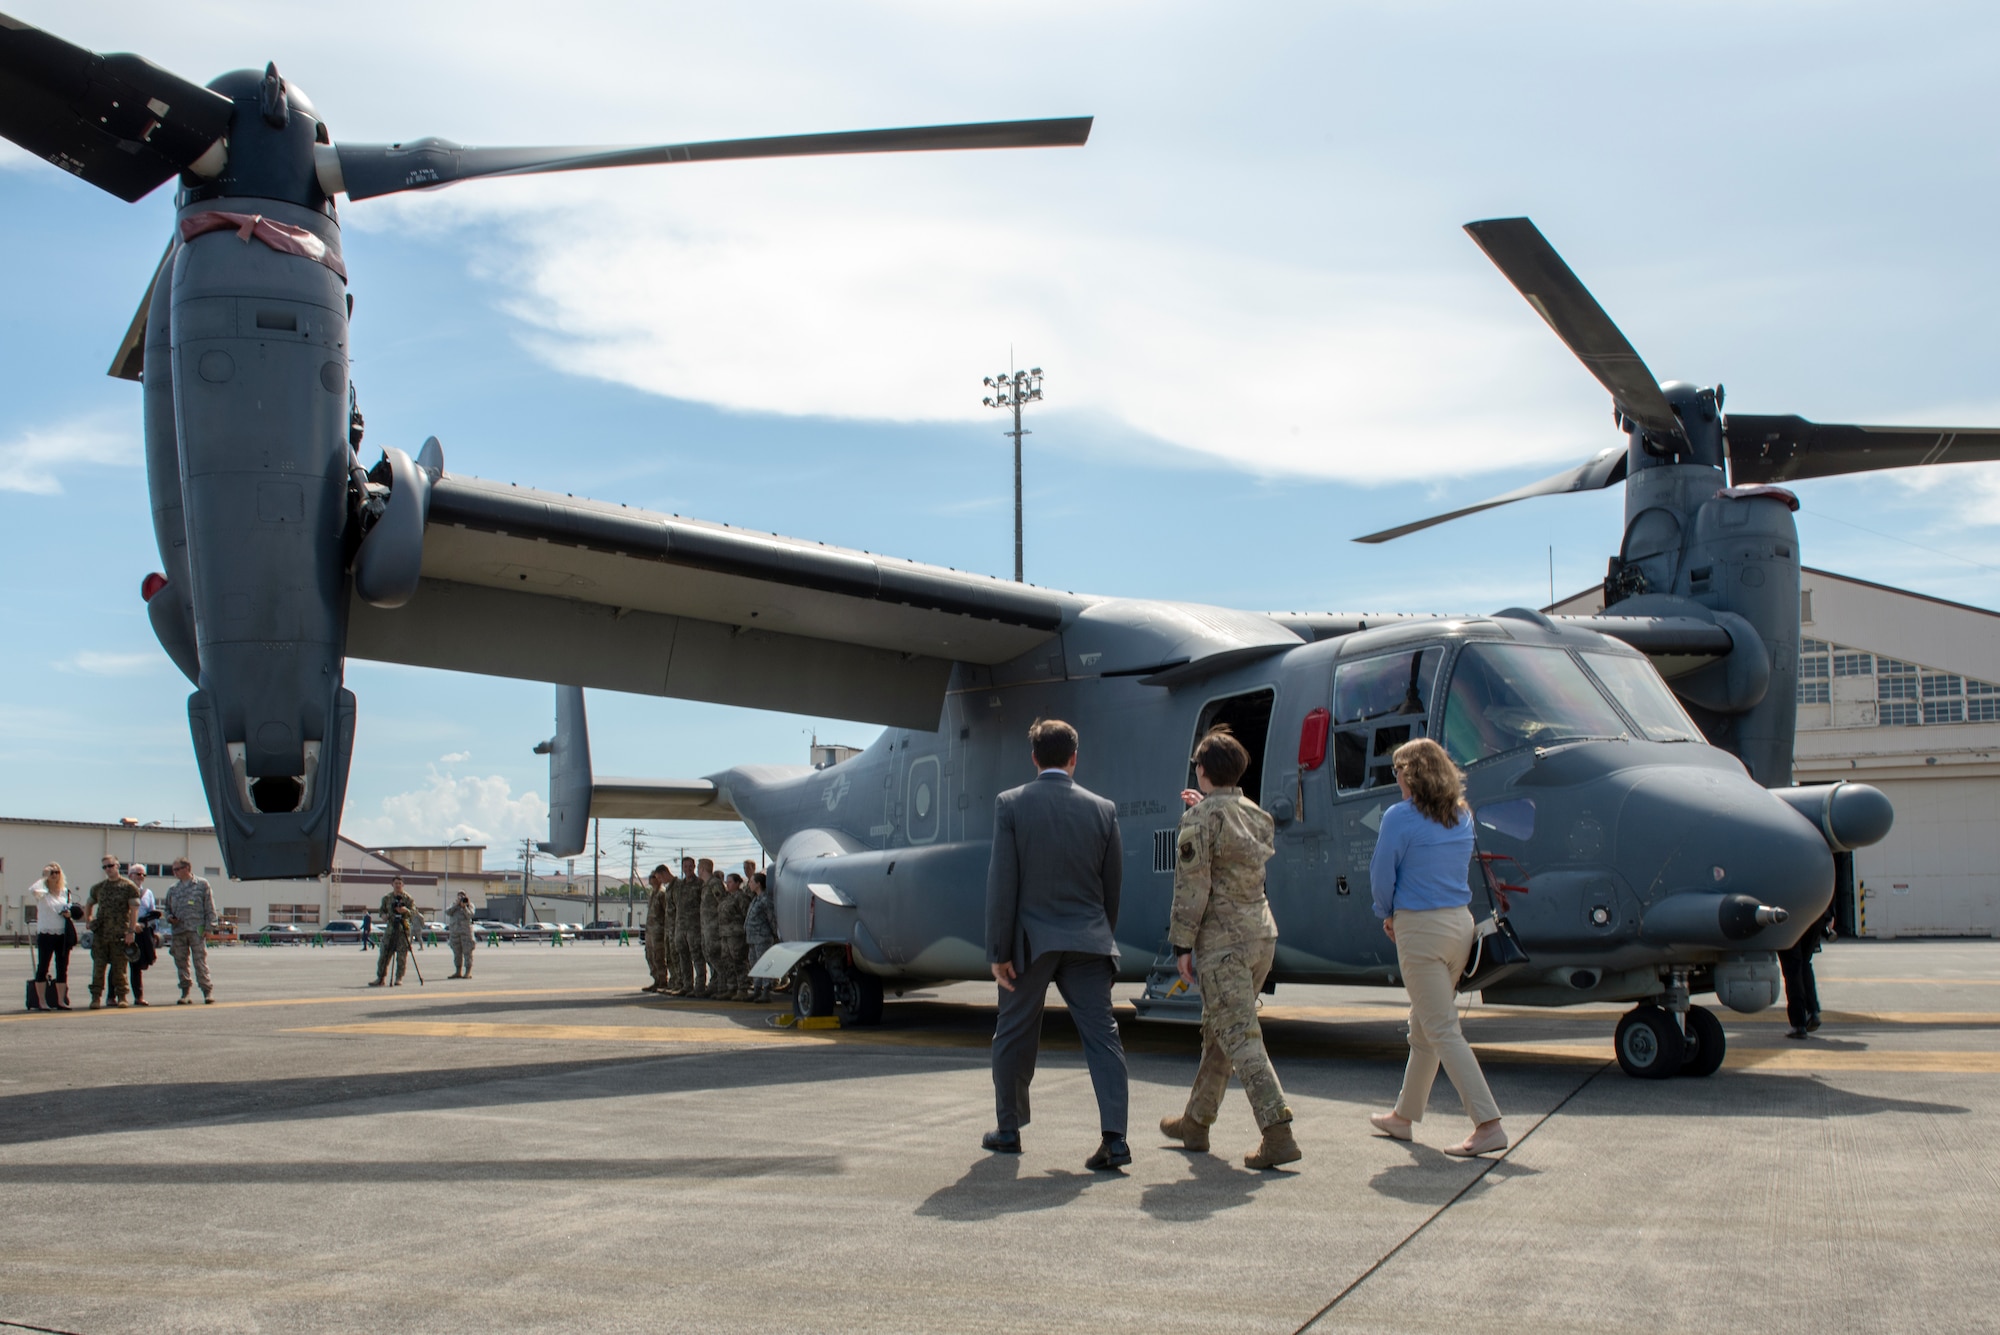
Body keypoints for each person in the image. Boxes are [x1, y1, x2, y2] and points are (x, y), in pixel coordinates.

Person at [982, 718, 1130, 1171]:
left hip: (1031, 943)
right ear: (1074, 758)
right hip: (1088, 939)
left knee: (1013, 1034)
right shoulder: (1103, 809)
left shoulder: (1011, 805)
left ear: (1034, 759)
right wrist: (1100, 935)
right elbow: (1112, 886)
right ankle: (1115, 1139)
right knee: (1103, 1039)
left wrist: (998, 952)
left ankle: (1009, 1130)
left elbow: (1002, 883)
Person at [1159, 727, 1299, 1170]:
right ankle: (1196, 1122)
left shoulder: (1198, 821)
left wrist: (1182, 942)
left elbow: (1192, 888)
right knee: (1223, 1029)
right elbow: (1234, 846)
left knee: (1239, 1035)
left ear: (1202, 771)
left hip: (1223, 943)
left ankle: (1277, 1131)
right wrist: (1208, 811)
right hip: (1261, 934)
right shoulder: (1256, 815)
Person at [1367, 737, 1507, 1158]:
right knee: (1425, 1025)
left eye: (1397, 772)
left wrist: (1386, 913)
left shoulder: (1398, 818)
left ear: (1411, 773)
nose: (1395, 780)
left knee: (1441, 1028)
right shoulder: (1462, 816)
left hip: (1421, 930)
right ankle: (1403, 1117)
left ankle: (1488, 1123)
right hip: (1459, 926)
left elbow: (1381, 875)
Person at [86, 855, 140, 1009]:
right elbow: (89, 903)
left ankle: (122, 996)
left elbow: (134, 910)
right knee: (98, 967)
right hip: (101, 934)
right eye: (105, 867)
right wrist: (88, 920)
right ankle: (95, 997)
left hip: (120, 934)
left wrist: (131, 931)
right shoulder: (99, 887)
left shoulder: (128, 886)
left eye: (110, 866)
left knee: (120, 968)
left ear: (117, 866)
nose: (108, 869)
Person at [164, 857, 219, 1005]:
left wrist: (209, 927)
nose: (174, 872)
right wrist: (170, 917)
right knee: (181, 962)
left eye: (177, 869)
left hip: (196, 930)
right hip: (179, 931)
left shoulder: (202, 885)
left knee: (199, 961)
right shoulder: (173, 889)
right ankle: (185, 992)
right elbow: (167, 909)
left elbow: (210, 908)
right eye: (173, 870)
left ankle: (207, 991)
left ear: (187, 868)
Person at [1780, 903, 1833, 1039]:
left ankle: (1798, 1024)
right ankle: (1812, 1011)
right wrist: (1829, 915)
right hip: (1817, 913)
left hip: (1789, 914)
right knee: (1804, 963)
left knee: (1793, 967)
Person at [31, 863, 74, 1010]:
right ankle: (42, 1001)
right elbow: (33, 890)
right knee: (43, 966)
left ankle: (61, 1000)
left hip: (62, 933)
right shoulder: (42, 892)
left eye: (57, 872)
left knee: (62, 967)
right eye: (52, 872)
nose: (54, 875)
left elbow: (70, 908)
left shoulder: (65, 892)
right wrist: (44, 876)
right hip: (46, 932)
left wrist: (69, 914)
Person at [368, 877, 418, 987]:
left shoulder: (408, 898)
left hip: (402, 929)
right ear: (392, 884)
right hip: (390, 930)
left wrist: (405, 910)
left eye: (400, 883)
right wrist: (383, 915)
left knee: (401, 956)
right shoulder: (387, 898)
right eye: (396, 883)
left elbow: (414, 912)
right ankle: (380, 978)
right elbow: (381, 910)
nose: (398, 885)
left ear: (403, 884)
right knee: (384, 954)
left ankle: (399, 978)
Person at [126, 864, 159, 1006]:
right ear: (130, 875)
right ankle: (113, 996)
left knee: (137, 965)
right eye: (137, 874)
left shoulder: (147, 893)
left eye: (143, 875)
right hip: (126, 930)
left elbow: (152, 911)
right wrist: (131, 925)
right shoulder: (123, 891)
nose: (140, 877)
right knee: (118, 965)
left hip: (142, 931)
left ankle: (138, 996)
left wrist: (154, 931)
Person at [744, 870, 778, 1003]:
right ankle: (757, 989)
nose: (749, 884)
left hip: (762, 937)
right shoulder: (756, 899)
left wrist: (775, 934)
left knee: (764, 964)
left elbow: (771, 918)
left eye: (751, 882)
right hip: (753, 938)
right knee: (754, 963)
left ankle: (766, 990)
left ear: (758, 884)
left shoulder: (765, 899)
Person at [672, 857, 703, 998]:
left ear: (695, 867)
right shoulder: (679, 885)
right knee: (683, 957)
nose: (688, 869)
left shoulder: (700, 884)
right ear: (682, 868)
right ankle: (687, 985)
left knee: (697, 956)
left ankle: (700, 985)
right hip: (681, 927)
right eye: (685, 866)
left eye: (690, 866)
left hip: (694, 927)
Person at [717, 872, 751, 1001]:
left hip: (736, 935)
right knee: (727, 961)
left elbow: (746, 915)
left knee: (738, 961)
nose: (727, 884)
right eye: (727, 882)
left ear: (737, 883)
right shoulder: (727, 897)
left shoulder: (741, 897)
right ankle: (731, 988)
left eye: (730, 882)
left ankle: (743, 989)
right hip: (725, 934)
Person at [698, 858, 726, 1000]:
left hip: (714, 927)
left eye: (698, 867)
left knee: (715, 955)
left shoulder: (715, 884)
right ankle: (715, 984)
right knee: (708, 955)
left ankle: (723, 986)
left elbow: (722, 903)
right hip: (706, 927)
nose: (698, 870)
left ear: (703, 868)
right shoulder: (706, 885)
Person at [642, 864, 672, 994]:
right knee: (650, 955)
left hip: (659, 931)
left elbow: (667, 912)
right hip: (650, 931)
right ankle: (656, 980)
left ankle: (662, 980)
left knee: (659, 956)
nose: (651, 879)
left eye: (653, 877)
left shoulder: (662, 894)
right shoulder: (652, 894)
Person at [446, 891, 477, 978]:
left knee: (467, 953)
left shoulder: (469, 905)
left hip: (466, 933)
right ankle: (458, 971)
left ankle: (468, 972)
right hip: (455, 933)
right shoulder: (454, 905)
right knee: (457, 953)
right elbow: (447, 912)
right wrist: (456, 905)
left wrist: (464, 907)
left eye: (463, 896)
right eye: (459, 896)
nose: (461, 898)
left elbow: (470, 915)